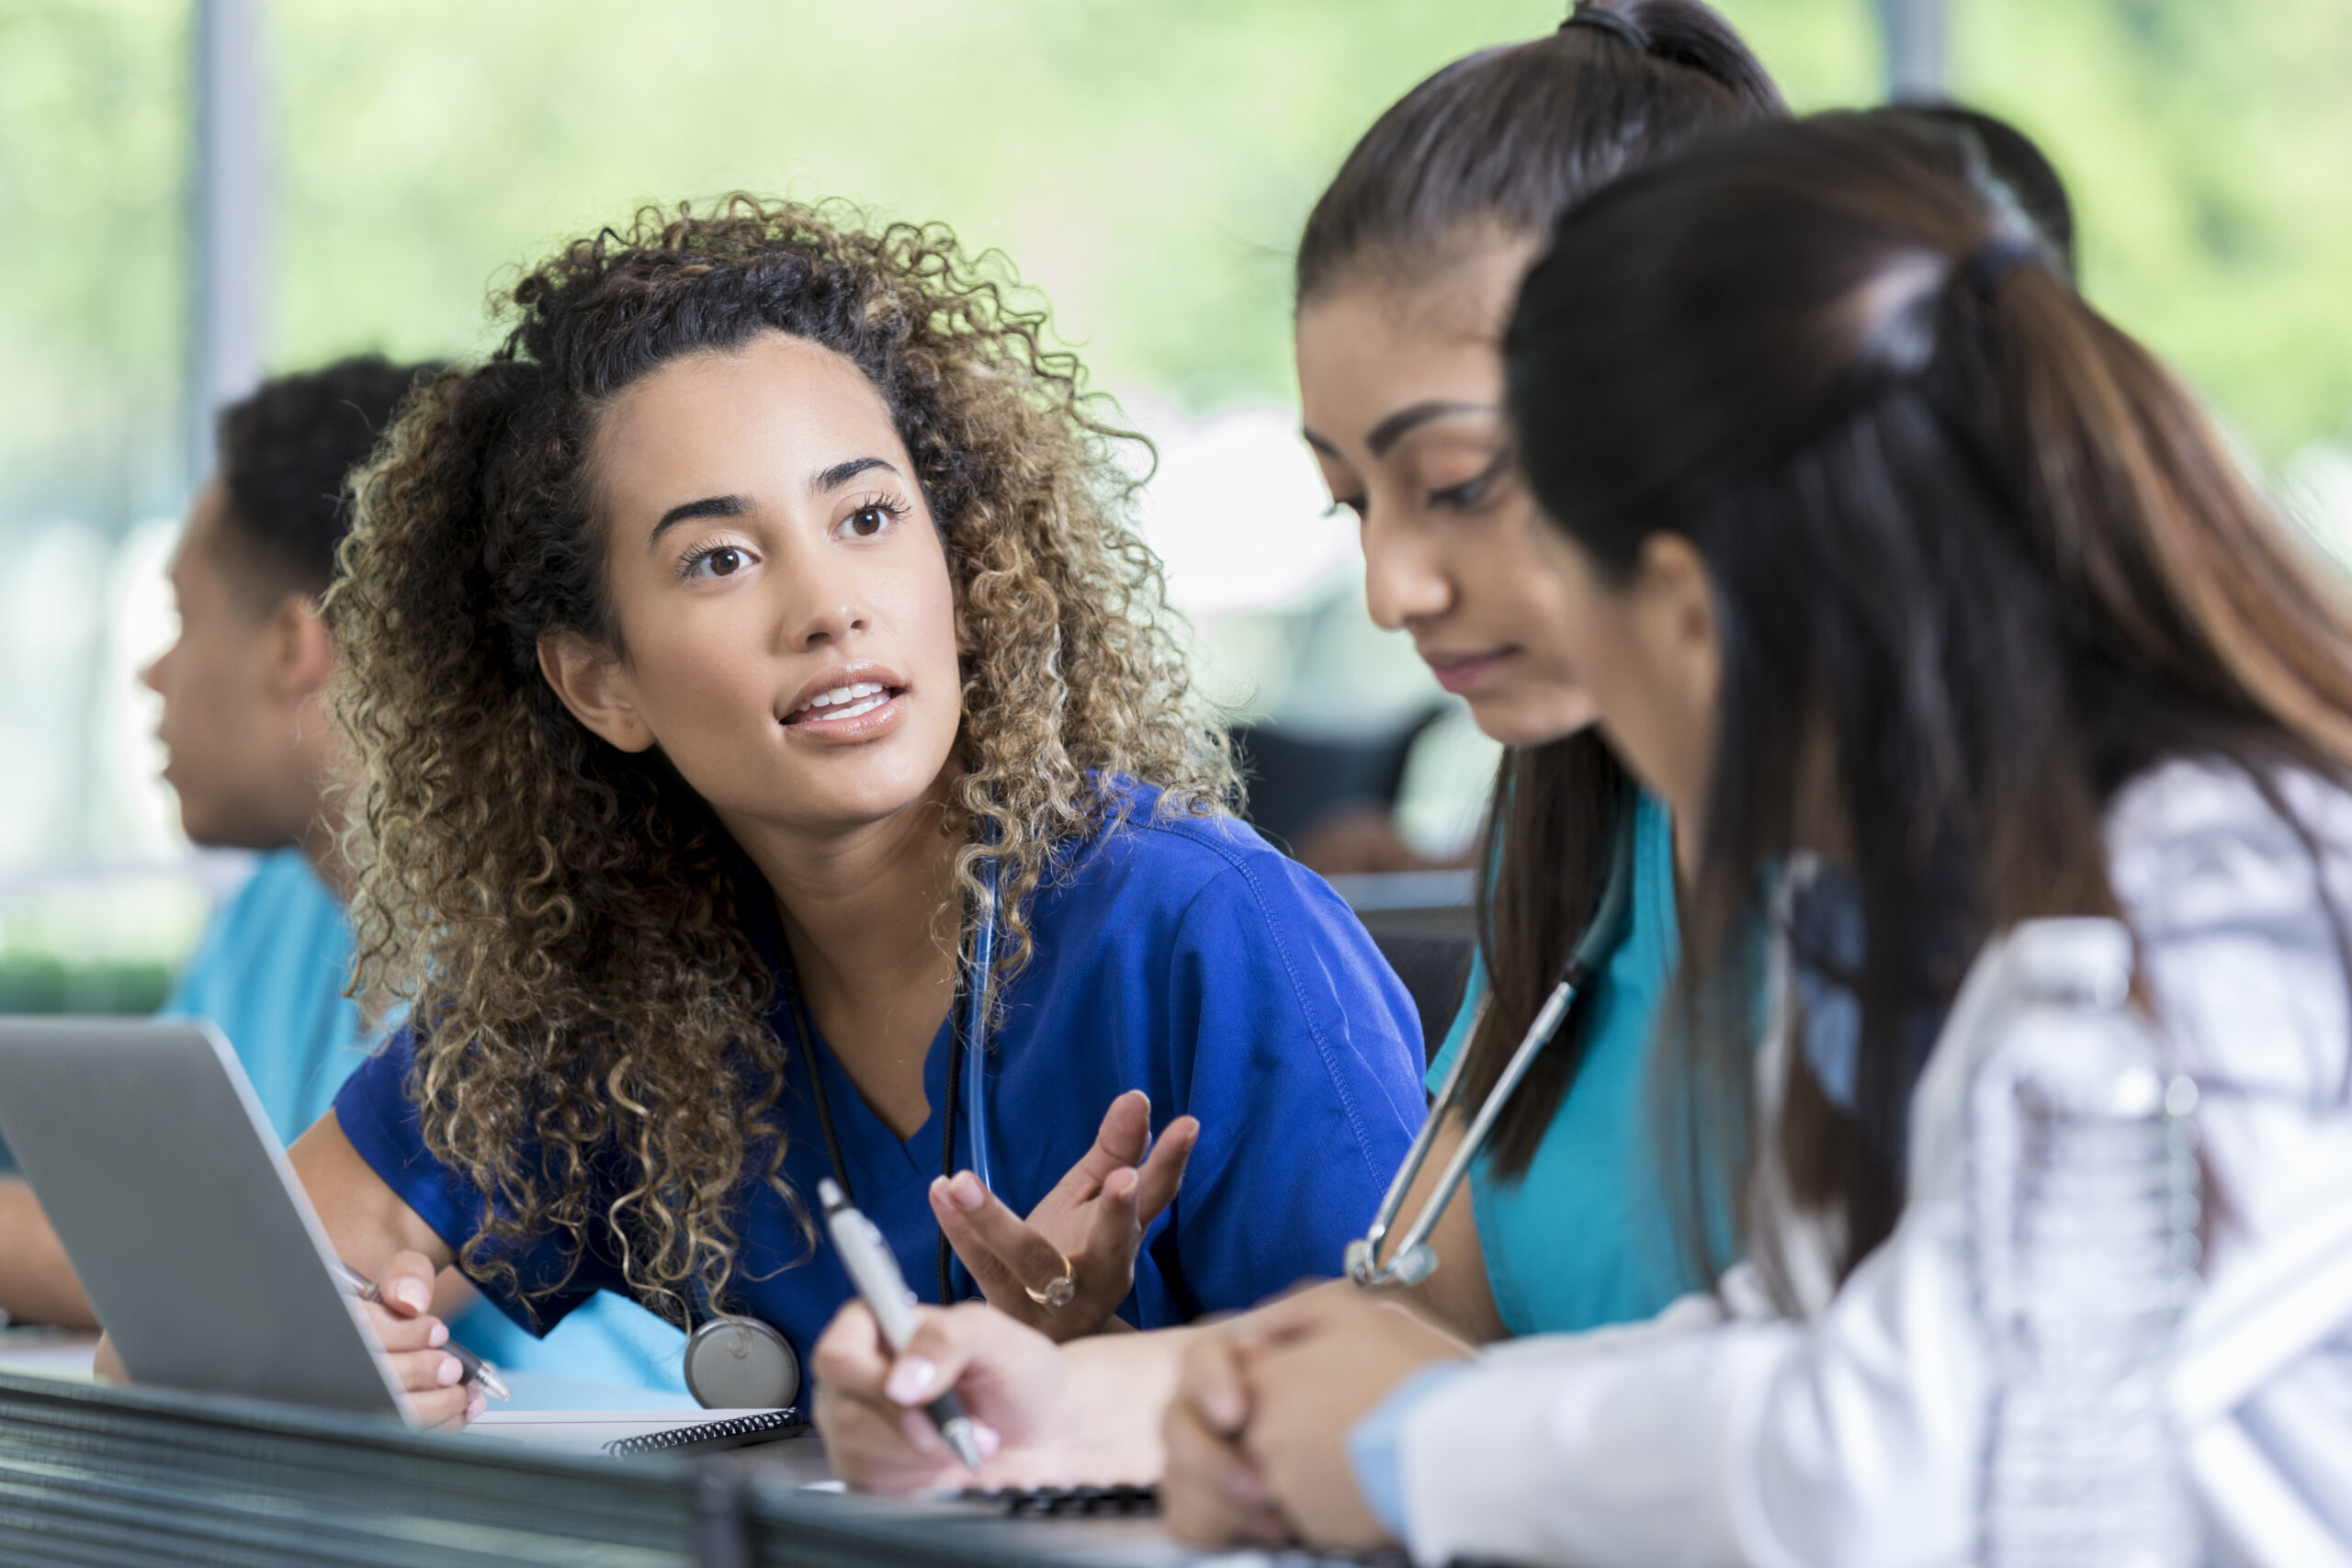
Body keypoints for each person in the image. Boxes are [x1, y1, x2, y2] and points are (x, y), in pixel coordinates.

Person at [1166, 110, 2352, 1563]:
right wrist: (1347, 1406)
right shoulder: (1873, 910)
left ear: (1684, 612)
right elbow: (1790, 1336)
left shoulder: (2229, 885)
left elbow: (1922, 1458)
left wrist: (1414, 1444)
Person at [156, 199, 1427, 1428]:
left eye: (869, 517)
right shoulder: (618, 989)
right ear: (601, 683)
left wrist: (1087, 1373)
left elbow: (1415, 1392)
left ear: (962, 564)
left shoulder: (1213, 928)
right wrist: (329, 1364)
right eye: (721, 556)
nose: (828, 604)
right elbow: (182, 1319)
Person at [808, 0, 1788, 1494]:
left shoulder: (1942, 841)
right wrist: (1043, 1397)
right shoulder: (1576, 815)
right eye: (1355, 505)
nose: (1394, 588)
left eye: (1455, 483)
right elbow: (1409, 1326)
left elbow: (1858, 1431)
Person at [0, 359, 694, 1389]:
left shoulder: (562, 936)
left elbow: (269, 1292)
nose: (153, 674)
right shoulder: (274, 916)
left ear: (292, 645)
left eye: (184, 618)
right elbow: (140, 1233)